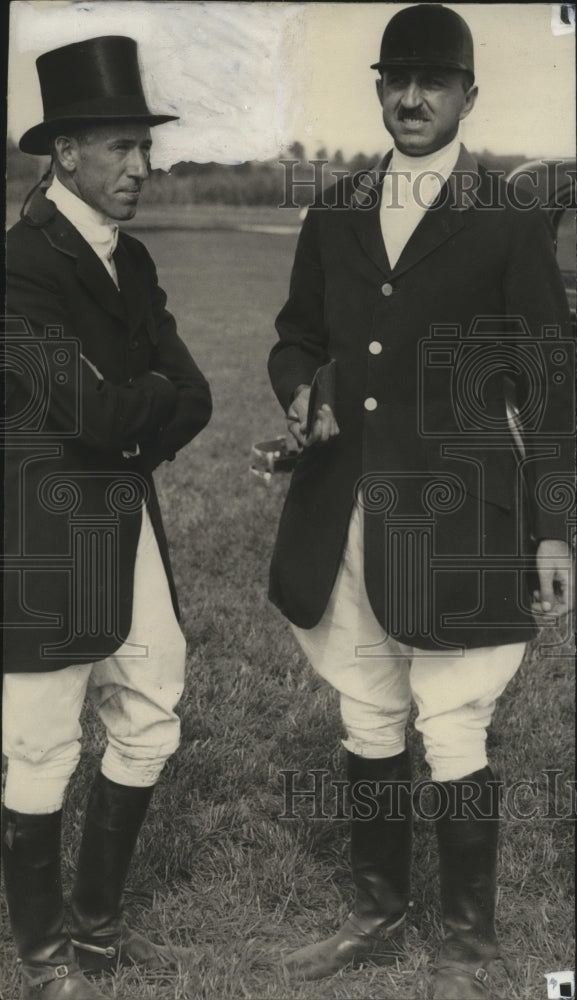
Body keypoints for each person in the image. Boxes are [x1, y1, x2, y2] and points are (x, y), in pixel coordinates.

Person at [267, 5, 573, 998]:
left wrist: (555, 530)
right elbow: (295, 335)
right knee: (367, 710)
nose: (411, 98)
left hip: (459, 519)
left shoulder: (509, 223)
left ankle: (468, 945)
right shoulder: (334, 213)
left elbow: (550, 386)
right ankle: (374, 913)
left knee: (451, 721)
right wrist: (299, 386)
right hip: (347, 512)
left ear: (467, 97)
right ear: (379, 89)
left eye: (432, 82)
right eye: (395, 79)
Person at [3, 35, 212, 999]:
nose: (141, 167)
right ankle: (43, 957)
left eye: (146, 147)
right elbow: (89, 413)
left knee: (152, 713)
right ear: (66, 153)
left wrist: (133, 415)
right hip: (47, 534)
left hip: (124, 516)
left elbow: (195, 394)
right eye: (121, 147)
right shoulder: (20, 263)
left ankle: (94, 926)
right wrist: (139, 408)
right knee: (41, 742)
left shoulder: (133, 261)